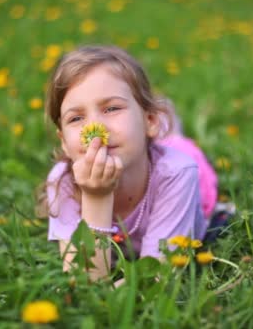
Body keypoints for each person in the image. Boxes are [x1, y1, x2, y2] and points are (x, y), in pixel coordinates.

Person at [38, 45, 217, 281]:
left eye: (112, 108)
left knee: (181, 147)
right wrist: (96, 197)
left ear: (149, 120)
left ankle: (170, 125)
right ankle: (165, 124)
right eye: (76, 118)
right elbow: (82, 282)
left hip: (180, 167)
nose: (96, 129)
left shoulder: (179, 173)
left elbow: (157, 277)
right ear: (64, 142)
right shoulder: (63, 181)